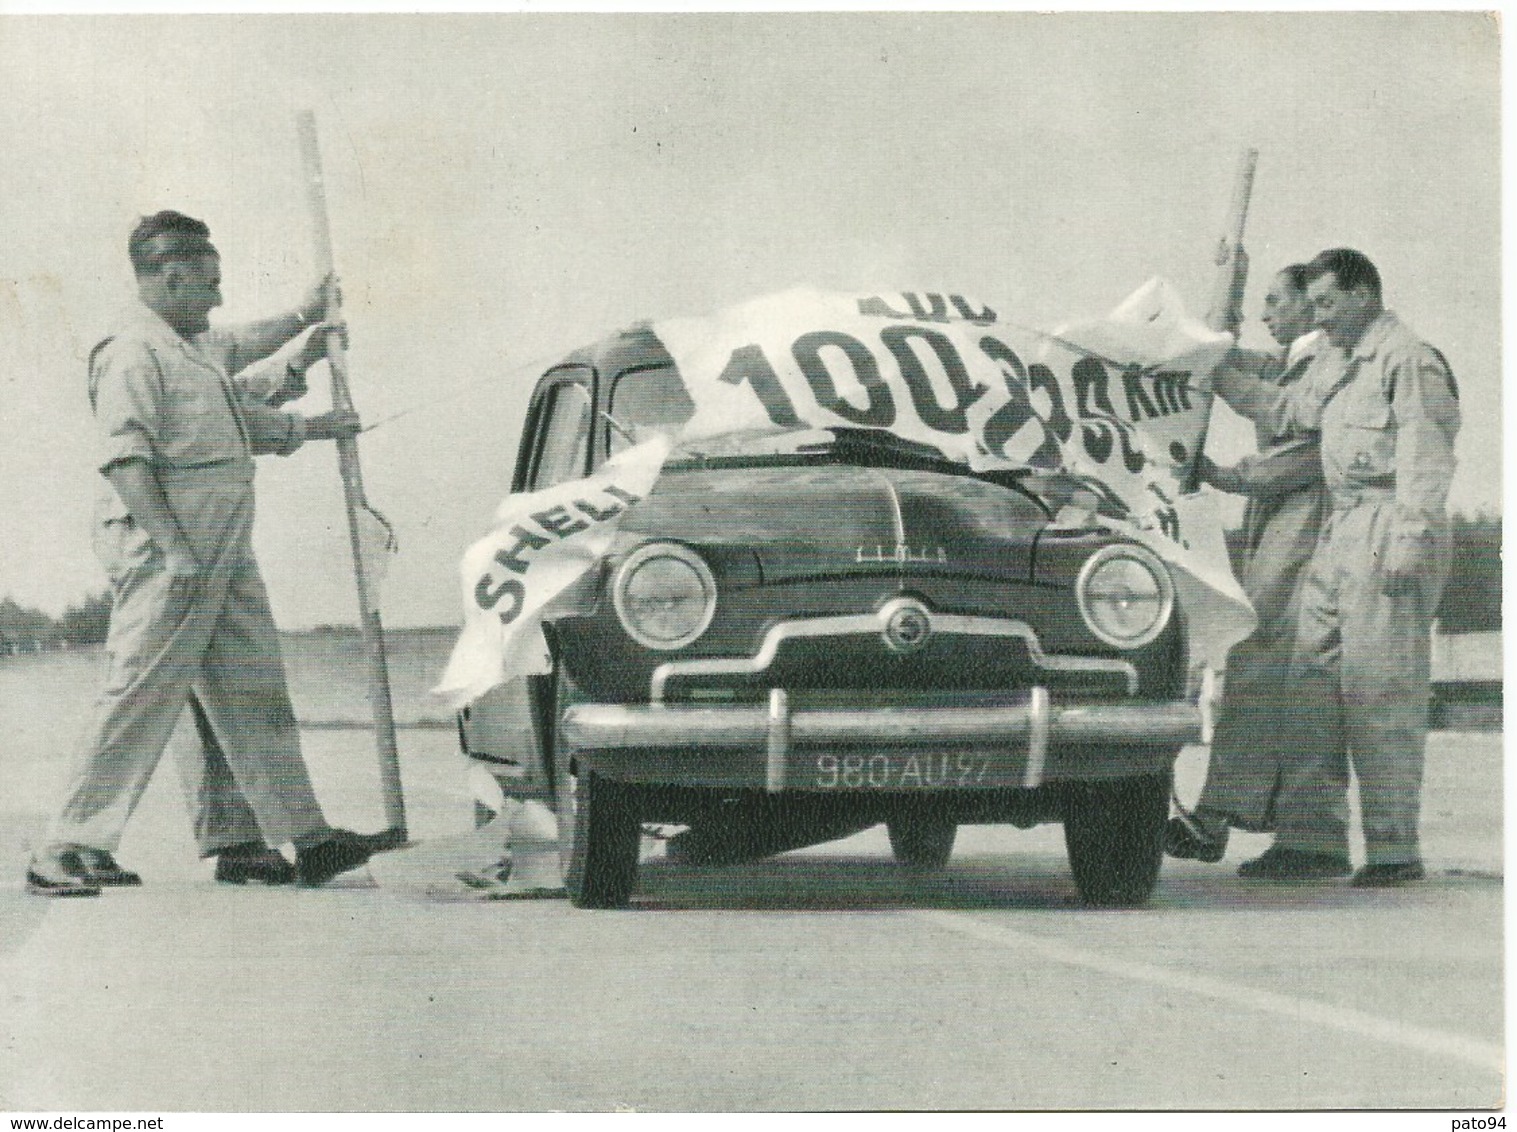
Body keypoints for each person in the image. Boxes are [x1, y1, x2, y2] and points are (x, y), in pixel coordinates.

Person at [25, 210, 377, 896]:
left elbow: (238, 377)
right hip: (171, 545)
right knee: (140, 689)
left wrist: (305, 327)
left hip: (222, 543)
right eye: (209, 285)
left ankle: (298, 837)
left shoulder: (189, 347)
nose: (218, 298)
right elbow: (125, 461)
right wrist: (175, 552)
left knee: (250, 687)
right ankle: (66, 845)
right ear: (171, 276)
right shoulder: (133, 351)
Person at [1207, 248, 1460, 886]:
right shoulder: (1340, 361)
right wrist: (1215, 370)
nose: (1320, 318)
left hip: (1385, 524)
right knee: (1307, 683)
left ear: (1364, 294)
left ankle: (1394, 849)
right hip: (1338, 529)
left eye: (1327, 304)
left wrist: (1410, 539)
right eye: (1313, 306)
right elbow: (1287, 413)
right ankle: (1311, 839)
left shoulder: (1408, 360)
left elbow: (1426, 459)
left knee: (1377, 689)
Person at [1167, 265, 1353, 880]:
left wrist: (1222, 473)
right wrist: (1228, 305)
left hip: (1307, 526)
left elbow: (1298, 447)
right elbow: (1250, 369)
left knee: (1297, 675)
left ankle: (1304, 835)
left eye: (1276, 301)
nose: (1269, 312)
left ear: (1307, 307)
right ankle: (1228, 814)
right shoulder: (1297, 359)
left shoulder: (1326, 364)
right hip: (1280, 524)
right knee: (1264, 667)